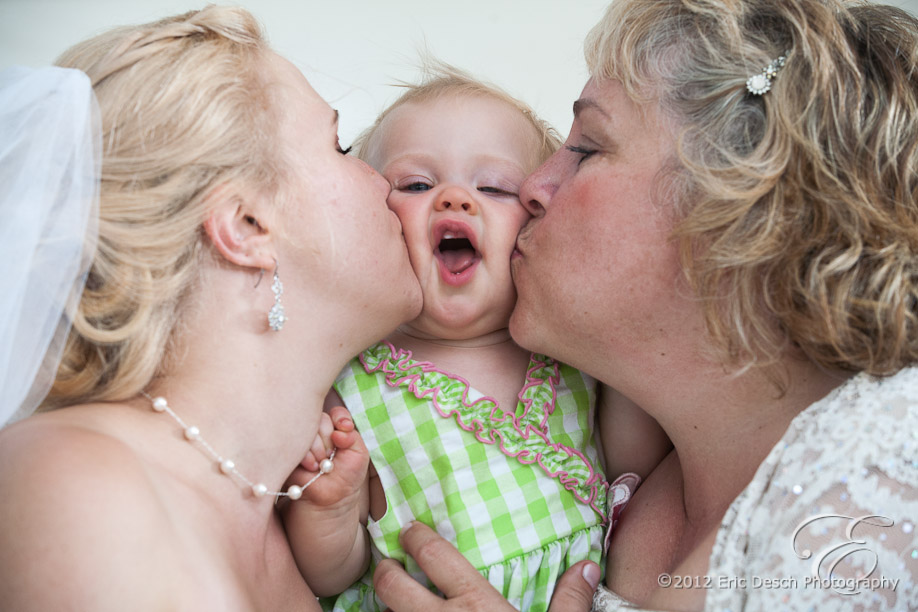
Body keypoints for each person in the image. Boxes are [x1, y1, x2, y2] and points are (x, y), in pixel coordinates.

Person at [370, 0, 918, 611]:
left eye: (587, 147)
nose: (532, 188)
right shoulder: (619, 464)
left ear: (740, 210)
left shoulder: (889, 477)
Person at [0, 6, 426, 609]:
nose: (385, 181)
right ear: (246, 227)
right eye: (341, 145)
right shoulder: (72, 482)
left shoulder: (305, 540)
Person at [281, 67, 670, 612]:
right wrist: (330, 506)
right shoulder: (350, 383)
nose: (455, 199)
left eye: (494, 188)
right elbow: (333, 575)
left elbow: (637, 472)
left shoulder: (566, 356)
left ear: (538, 216)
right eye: (417, 185)